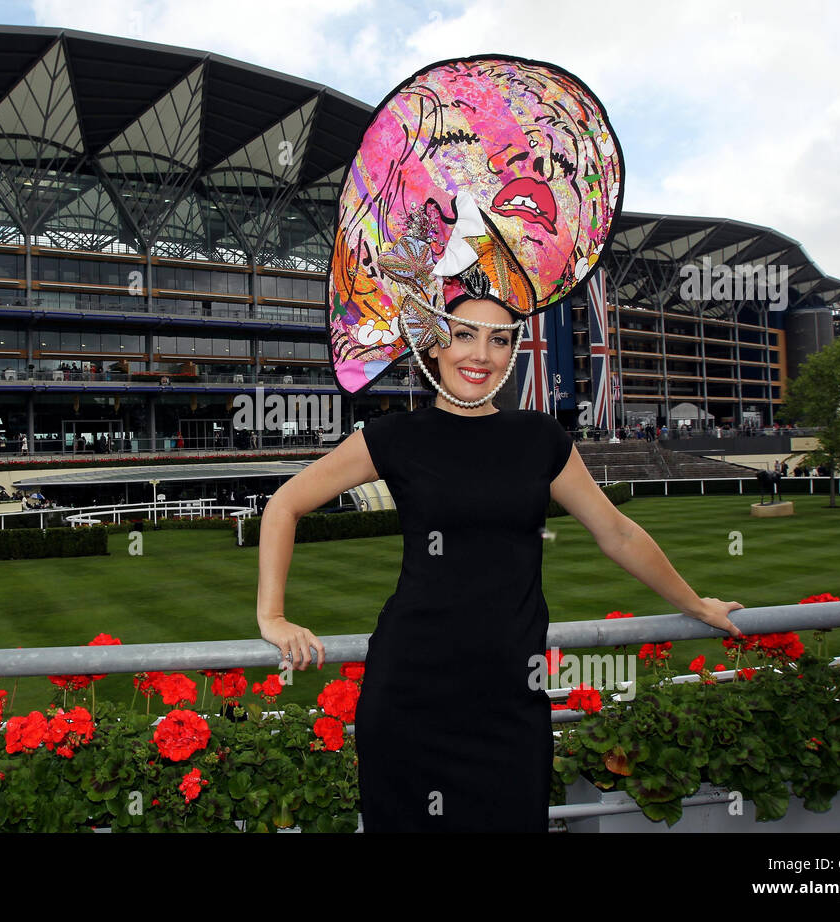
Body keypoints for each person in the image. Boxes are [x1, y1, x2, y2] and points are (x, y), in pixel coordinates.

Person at [256, 55, 742, 835]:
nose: (480, 354)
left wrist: (695, 603)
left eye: (498, 340)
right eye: (464, 338)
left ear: (515, 350)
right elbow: (284, 505)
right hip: (409, 692)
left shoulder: (539, 439)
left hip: (509, 703)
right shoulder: (395, 436)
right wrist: (272, 616)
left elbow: (615, 531)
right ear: (437, 346)